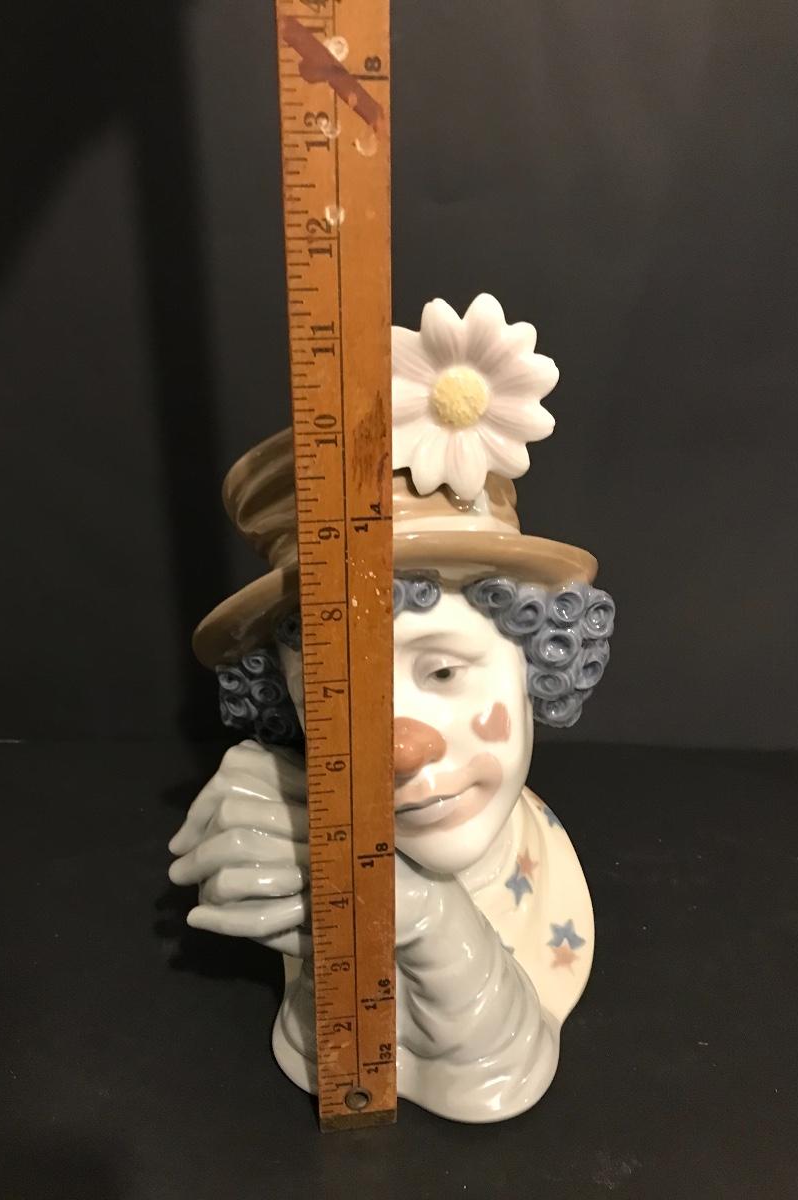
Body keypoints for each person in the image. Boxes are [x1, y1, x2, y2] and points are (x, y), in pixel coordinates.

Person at [168, 295, 615, 1121]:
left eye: (443, 670)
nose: (401, 747)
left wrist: (428, 922)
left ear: (535, 660)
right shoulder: (305, 865)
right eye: (336, 692)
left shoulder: (539, 870)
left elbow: (496, 1076)